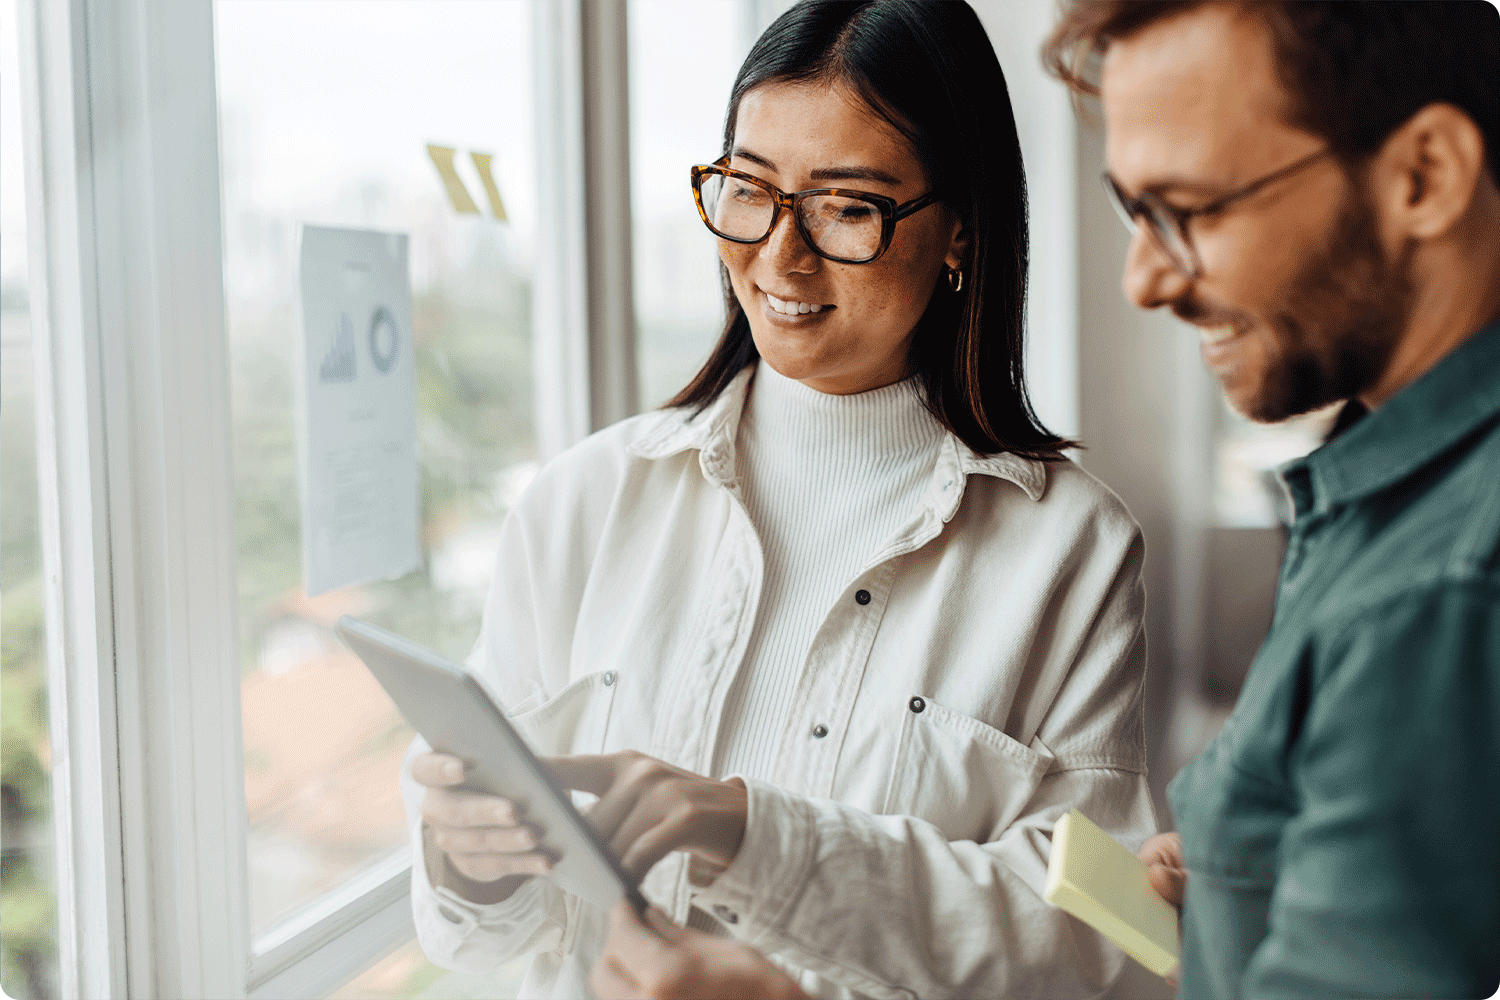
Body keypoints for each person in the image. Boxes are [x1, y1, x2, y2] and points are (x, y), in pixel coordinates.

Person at [590, 1, 1500, 998]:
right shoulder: (1370, 506)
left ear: (1425, 177)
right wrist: (1249, 905)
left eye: (1190, 210)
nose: (1144, 279)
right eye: (1131, 212)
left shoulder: (1437, 591)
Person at [403, 1, 1159, 997]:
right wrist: (470, 863)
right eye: (749, 191)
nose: (778, 256)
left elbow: (1108, 941)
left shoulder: (1073, 550)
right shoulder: (582, 502)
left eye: (847, 207)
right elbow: (488, 943)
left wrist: (757, 837)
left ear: (959, 231)